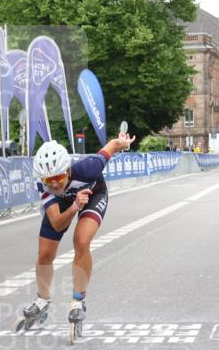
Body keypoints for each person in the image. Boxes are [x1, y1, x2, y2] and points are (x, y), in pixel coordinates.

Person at [18, 130, 135, 334]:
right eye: (48, 180)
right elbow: (57, 224)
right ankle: (42, 300)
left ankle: (78, 301)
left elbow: (113, 145)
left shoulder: (88, 168)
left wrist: (123, 142)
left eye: (58, 177)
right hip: (68, 203)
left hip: (93, 195)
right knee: (44, 255)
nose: (54, 183)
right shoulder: (43, 184)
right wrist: (73, 207)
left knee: (81, 242)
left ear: (68, 170)